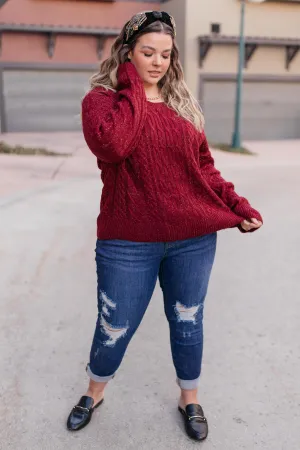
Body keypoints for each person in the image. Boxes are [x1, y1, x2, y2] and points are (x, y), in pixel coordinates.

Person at [66, 10, 263, 441]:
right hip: (127, 241)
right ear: (128, 53)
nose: (157, 62)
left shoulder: (182, 105)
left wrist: (236, 203)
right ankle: (94, 391)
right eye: (147, 52)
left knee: (188, 321)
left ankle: (188, 397)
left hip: (193, 240)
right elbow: (115, 146)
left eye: (166, 55)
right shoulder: (101, 102)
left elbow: (204, 170)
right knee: (114, 325)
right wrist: (131, 85)